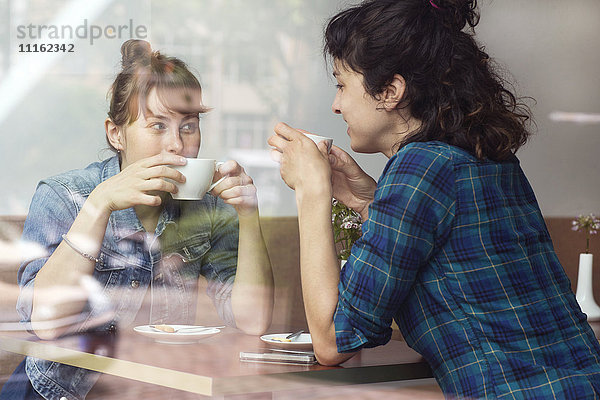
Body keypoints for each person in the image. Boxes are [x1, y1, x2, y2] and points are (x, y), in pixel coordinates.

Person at [268, 0, 600, 398]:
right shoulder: (481, 156)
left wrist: (312, 192)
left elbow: (334, 339)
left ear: (390, 91)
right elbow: (447, 251)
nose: (336, 104)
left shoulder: (419, 168)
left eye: (341, 84)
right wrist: (366, 200)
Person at [1, 39, 274, 400]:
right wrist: (100, 205)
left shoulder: (208, 208)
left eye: (188, 126)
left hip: (154, 389)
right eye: (158, 126)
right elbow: (46, 322)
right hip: (59, 393)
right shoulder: (65, 195)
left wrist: (248, 214)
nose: (177, 144)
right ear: (116, 134)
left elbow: (253, 320)